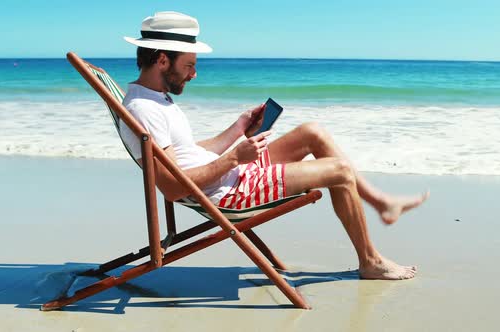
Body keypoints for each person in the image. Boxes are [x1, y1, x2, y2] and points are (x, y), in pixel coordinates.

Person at [120, 11, 429, 280]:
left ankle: (380, 202)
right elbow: (173, 188)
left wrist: (239, 129)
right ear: (162, 60)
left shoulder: (155, 99)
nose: (194, 73)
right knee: (340, 170)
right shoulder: (144, 110)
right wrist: (234, 160)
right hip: (230, 194)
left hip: (228, 178)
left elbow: (189, 153)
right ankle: (370, 262)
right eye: (189, 65)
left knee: (313, 132)